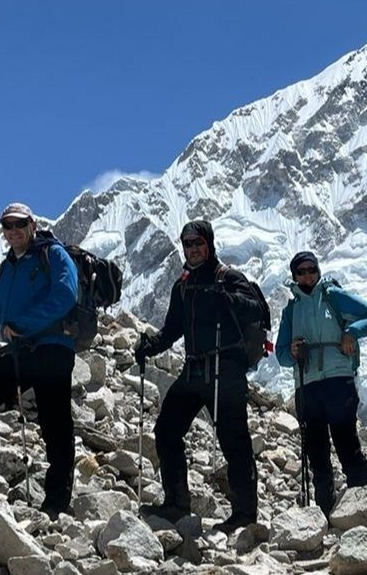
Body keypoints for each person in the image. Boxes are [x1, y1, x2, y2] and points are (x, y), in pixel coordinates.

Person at [135, 219, 264, 533]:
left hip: (226, 370)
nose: (193, 249)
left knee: (234, 442)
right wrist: (150, 346)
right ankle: (177, 503)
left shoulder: (227, 278)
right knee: (166, 430)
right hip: (193, 370)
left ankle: (245, 514)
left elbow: (256, 310)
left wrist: (227, 299)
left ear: (209, 244)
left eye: (198, 243)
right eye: (188, 244)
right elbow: (172, 329)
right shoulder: (182, 286)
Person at [0, 203, 79, 518]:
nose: (13, 231)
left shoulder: (53, 254)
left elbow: (66, 295)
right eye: (7, 226)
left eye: (19, 224)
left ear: (32, 225)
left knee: (55, 424)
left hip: (53, 347)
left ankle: (56, 504)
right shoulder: (7, 268)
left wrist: (24, 324)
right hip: (21, 351)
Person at [275, 251, 367, 517]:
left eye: (311, 270)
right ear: (294, 277)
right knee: (317, 455)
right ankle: (326, 516)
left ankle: (362, 512)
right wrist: (293, 352)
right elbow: (281, 355)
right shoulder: (291, 310)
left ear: (318, 271)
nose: (307, 276)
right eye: (301, 272)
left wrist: (352, 332)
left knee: (348, 447)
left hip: (338, 382)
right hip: (307, 387)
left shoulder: (333, 296)